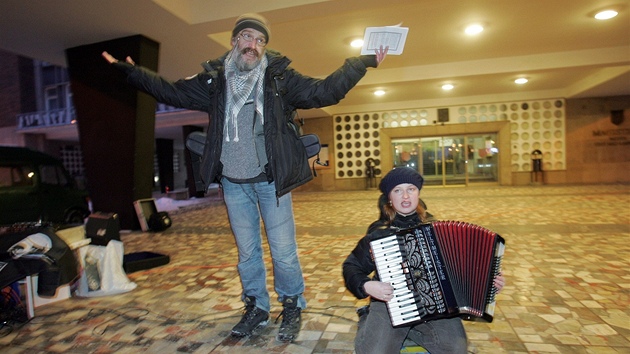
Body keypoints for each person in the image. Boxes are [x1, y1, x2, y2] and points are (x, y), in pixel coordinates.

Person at [102, 13, 388, 342]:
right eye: (248, 37)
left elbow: (324, 92)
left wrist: (361, 63)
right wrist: (132, 73)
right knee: (247, 253)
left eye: (260, 40)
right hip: (233, 184)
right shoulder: (213, 81)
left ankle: (292, 304)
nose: (253, 45)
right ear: (235, 41)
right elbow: (170, 92)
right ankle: (256, 306)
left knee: (283, 251)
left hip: (271, 182)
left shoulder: (279, 77)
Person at [343, 167, 505, 354]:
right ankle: (367, 318)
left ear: (418, 193)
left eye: (410, 189)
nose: (405, 196)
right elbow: (351, 266)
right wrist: (367, 286)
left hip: (434, 309)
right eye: (398, 190)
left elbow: (467, 267)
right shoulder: (379, 233)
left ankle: (408, 332)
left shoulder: (437, 229)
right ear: (389, 197)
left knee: (456, 349)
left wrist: (490, 282)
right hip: (390, 304)